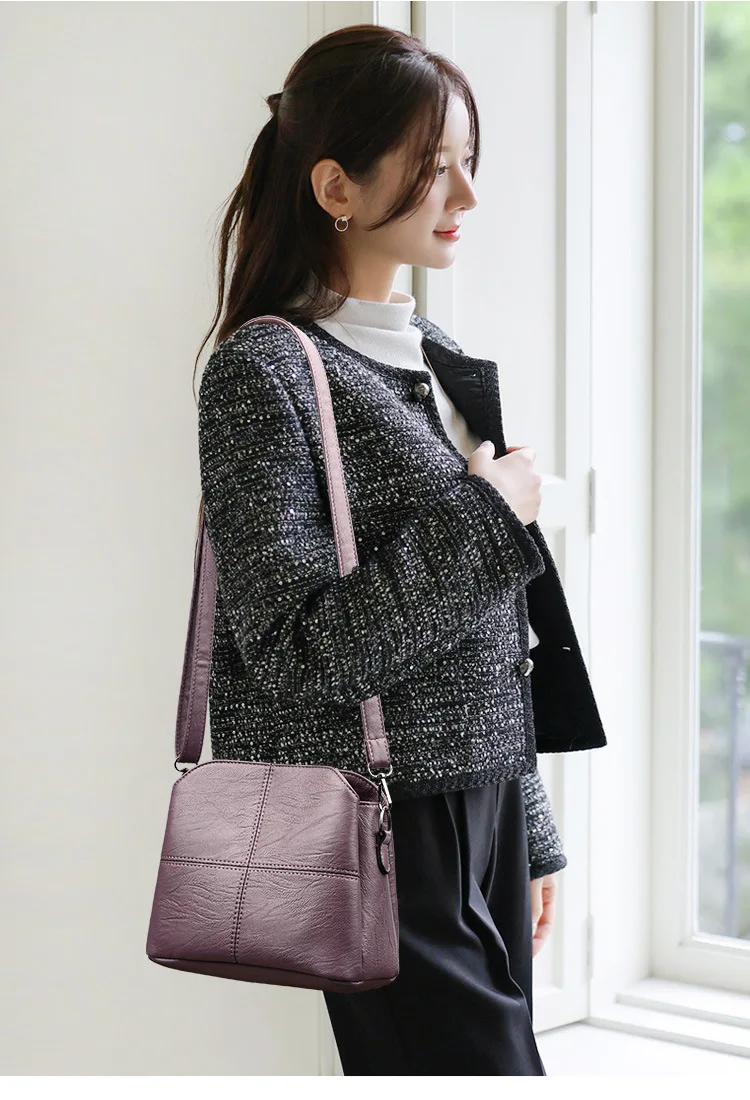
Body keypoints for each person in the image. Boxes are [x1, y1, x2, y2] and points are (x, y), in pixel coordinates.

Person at [194, 23, 607, 1076]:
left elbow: (487, 634)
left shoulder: (443, 360)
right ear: (336, 185)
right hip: (381, 825)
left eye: (469, 161)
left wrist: (528, 829)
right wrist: (488, 515)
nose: (465, 194)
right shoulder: (265, 372)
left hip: (484, 810)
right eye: (433, 167)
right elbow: (298, 655)